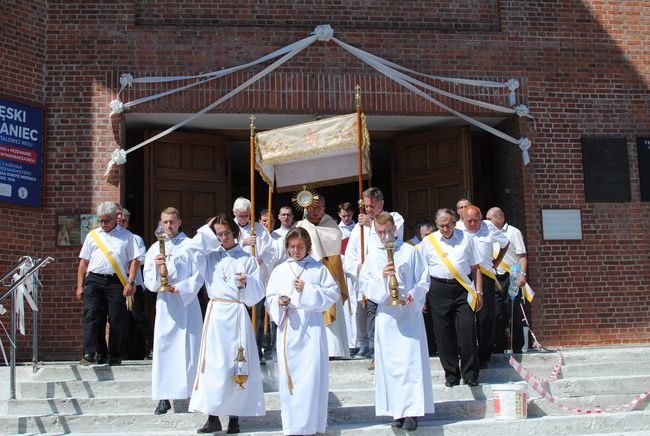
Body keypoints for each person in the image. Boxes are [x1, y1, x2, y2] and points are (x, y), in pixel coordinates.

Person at [185, 213, 265, 434]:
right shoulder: (210, 257)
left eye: (227, 233)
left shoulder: (246, 258)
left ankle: (234, 418)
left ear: (235, 233)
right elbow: (193, 249)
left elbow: (257, 294)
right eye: (219, 235)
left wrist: (247, 282)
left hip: (237, 313)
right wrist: (207, 227)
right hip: (216, 314)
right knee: (213, 366)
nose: (223, 238)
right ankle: (212, 417)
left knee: (236, 364)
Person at [359, 213, 434, 432]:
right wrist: (382, 278)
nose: (385, 236)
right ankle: (397, 411)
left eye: (389, 231)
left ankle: (412, 412)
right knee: (391, 367)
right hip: (388, 317)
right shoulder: (373, 256)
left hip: (408, 315)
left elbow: (423, 278)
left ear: (396, 229)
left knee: (410, 365)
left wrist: (413, 294)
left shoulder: (410, 251)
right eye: (381, 232)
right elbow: (366, 285)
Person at [266, 227, 339, 435]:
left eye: (300, 247)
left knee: (311, 379)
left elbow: (332, 294)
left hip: (312, 328)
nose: (296, 251)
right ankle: (293, 427)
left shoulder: (318, 268)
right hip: (289, 327)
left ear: (307, 246)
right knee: (291, 380)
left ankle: (312, 426)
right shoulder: (280, 270)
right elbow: (270, 296)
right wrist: (279, 302)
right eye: (292, 247)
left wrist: (307, 290)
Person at [143, 207, 203, 416]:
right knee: (164, 348)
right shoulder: (154, 248)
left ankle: (192, 393)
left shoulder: (191, 245)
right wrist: (155, 266)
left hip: (186, 302)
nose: (168, 226)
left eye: (172, 222)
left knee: (191, 348)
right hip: (166, 303)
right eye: (165, 222)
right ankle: (163, 396)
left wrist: (184, 287)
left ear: (180, 222)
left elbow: (199, 273)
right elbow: (148, 278)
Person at [419, 208, 483, 387]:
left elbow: (475, 267)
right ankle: (451, 374)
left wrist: (479, 292)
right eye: (441, 226)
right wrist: (422, 297)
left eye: (448, 225)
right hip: (438, 289)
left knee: (468, 329)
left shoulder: (466, 238)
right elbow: (422, 271)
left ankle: (470, 374)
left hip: (462, 288)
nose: (445, 229)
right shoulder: (429, 242)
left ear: (454, 223)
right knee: (443, 333)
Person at [344, 187, 404, 369]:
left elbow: (392, 239)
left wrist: (371, 225)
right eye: (365, 205)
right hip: (372, 281)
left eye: (371, 205)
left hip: (392, 277)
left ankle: (397, 352)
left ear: (381, 204)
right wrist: (358, 267)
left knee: (395, 319)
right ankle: (376, 354)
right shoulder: (358, 228)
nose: (368, 209)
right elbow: (349, 257)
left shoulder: (394, 217)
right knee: (372, 318)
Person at [76, 201, 139, 366]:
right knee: (92, 315)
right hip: (94, 280)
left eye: (106, 221)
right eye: (100, 220)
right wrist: (80, 285)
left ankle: (115, 354)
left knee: (116, 318)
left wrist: (131, 283)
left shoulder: (127, 236)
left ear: (115, 218)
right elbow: (83, 263)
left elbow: (134, 261)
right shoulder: (93, 235)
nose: (103, 224)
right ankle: (93, 352)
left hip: (116, 281)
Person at [295, 195, 350, 359]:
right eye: (313, 207)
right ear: (306, 207)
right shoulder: (300, 227)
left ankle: (335, 350)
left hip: (330, 273)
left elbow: (335, 247)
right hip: (309, 275)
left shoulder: (332, 225)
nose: (316, 210)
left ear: (324, 208)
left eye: (320, 207)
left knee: (331, 304)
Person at [461, 205, 509, 368]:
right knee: (466, 318)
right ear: (463, 219)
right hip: (466, 278)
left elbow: (505, 243)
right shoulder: (458, 229)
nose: (473, 224)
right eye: (469, 221)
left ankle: (484, 355)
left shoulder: (488, 227)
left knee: (487, 317)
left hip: (486, 275)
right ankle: (467, 353)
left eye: (476, 220)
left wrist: (497, 262)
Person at [232, 197, 276, 361]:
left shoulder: (258, 229)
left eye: (247, 215)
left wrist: (260, 259)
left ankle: (256, 351)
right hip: (234, 278)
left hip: (253, 278)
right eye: (241, 215)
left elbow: (271, 251)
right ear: (234, 213)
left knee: (255, 317)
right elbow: (219, 247)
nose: (244, 219)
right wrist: (242, 242)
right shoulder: (229, 227)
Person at [486, 207, 532, 353]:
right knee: (497, 313)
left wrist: (522, 275)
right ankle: (498, 346)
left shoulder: (513, 232)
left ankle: (517, 346)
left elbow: (522, 256)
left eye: (489, 219)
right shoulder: (487, 233)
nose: (486, 222)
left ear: (499, 219)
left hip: (511, 275)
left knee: (513, 312)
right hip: (494, 277)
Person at [120, 208, 154, 359]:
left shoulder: (135, 238)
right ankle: (121, 351)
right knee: (119, 318)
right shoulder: (110, 239)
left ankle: (152, 347)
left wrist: (132, 260)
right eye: (119, 220)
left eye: (124, 221)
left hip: (134, 285)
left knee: (139, 317)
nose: (121, 223)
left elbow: (143, 258)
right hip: (117, 284)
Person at [338, 201, 358, 356]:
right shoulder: (336, 231)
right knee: (346, 307)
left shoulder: (359, 228)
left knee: (358, 305)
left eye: (349, 215)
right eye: (343, 215)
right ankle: (349, 342)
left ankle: (359, 340)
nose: (346, 218)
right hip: (344, 272)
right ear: (339, 215)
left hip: (358, 272)